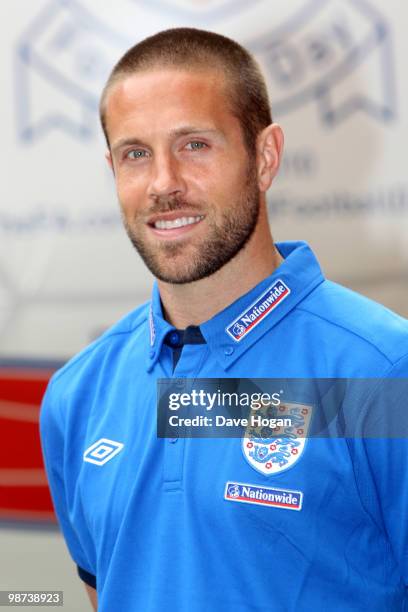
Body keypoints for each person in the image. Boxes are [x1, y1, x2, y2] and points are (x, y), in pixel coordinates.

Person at [40, 27, 408, 612]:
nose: (164, 184)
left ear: (265, 158)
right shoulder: (78, 393)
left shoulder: (384, 373)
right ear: (112, 169)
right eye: (137, 154)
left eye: (195, 145)